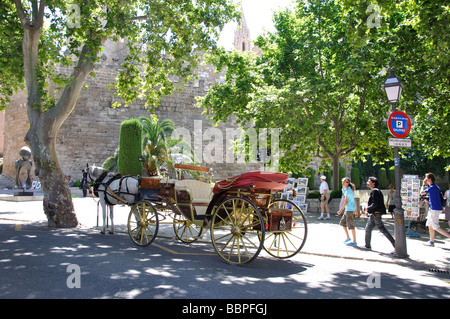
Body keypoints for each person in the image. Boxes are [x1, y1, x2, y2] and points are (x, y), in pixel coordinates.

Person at [364, 176, 395, 250]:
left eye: (369, 181)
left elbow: (375, 203)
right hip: (374, 214)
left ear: (373, 183)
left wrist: (367, 208)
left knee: (382, 229)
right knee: (368, 229)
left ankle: (396, 245)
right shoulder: (376, 190)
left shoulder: (375, 191)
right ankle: (367, 245)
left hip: (376, 213)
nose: (367, 183)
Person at [420, 173, 450, 246]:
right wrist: (429, 200)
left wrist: (423, 184)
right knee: (430, 225)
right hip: (434, 208)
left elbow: (421, 193)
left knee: (436, 227)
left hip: (435, 209)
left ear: (430, 179)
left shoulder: (432, 187)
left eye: (426, 178)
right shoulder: (435, 187)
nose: (425, 180)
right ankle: (431, 241)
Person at [337, 177, 358, 246]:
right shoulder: (348, 190)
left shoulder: (348, 191)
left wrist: (340, 210)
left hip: (349, 210)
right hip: (348, 209)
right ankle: (348, 237)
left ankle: (354, 241)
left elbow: (346, 202)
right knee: (343, 223)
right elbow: (354, 200)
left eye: (343, 182)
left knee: (351, 226)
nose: (342, 183)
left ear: (347, 183)